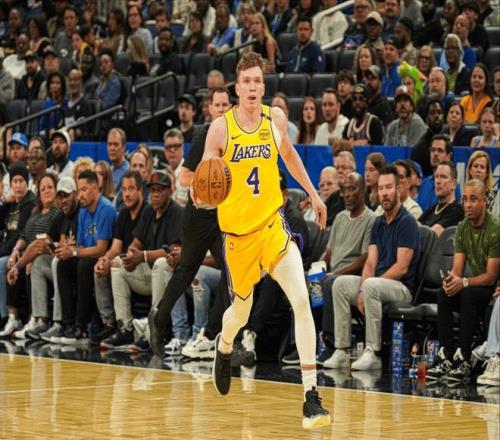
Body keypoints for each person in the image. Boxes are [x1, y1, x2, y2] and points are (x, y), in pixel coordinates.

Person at [169, 51, 330, 428]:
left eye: (259, 81)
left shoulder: (275, 120)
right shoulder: (220, 129)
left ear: (263, 85)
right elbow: (202, 177)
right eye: (247, 82)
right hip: (238, 238)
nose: (254, 87)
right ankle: (224, 346)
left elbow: (290, 156)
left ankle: (311, 397)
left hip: (272, 226)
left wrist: (314, 194)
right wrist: (200, 194)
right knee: (240, 313)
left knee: (301, 299)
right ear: (237, 88)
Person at [152, 87, 233, 361]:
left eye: (225, 104)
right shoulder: (204, 135)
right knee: (186, 270)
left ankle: (211, 334)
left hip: (222, 217)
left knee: (232, 272)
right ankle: (159, 319)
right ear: (209, 109)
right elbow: (183, 176)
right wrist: (205, 180)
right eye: (217, 105)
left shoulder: (235, 139)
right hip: (199, 215)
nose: (221, 109)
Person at [329, 166, 420, 370]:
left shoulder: (407, 222)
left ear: (398, 189)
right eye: (380, 188)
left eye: (388, 187)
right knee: (340, 284)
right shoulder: (378, 223)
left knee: (370, 285)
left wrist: (369, 286)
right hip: (376, 285)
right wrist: (362, 289)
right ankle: (341, 350)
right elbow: (370, 262)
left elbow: (402, 267)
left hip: (402, 288)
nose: (384, 193)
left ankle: (373, 352)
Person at [427, 180, 499, 383]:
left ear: (484, 201)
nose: (467, 204)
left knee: (467, 294)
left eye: (473, 199)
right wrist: (451, 280)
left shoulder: (495, 229)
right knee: (444, 293)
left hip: (492, 288)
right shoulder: (462, 228)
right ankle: (446, 354)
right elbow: (457, 270)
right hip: (474, 285)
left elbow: (491, 276)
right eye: (465, 199)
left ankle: (464, 358)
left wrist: (464, 282)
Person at [319, 172, 377, 367]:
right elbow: (328, 252)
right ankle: (301, 344)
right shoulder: (339, 218)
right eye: (343, 190)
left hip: (353, 276)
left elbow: (364, 259)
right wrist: (317, 269)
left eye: (352, 189)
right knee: (306, 281)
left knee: (330, 283)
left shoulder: (371, 219)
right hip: (333, 274)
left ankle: (330, 346)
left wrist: (335, 274)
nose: (347, 194)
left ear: (363, 191)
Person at [56, 170, 117, 345]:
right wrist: (69, 251)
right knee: (62, 264)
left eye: (84, 190)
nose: (80, 195)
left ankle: (81, 327)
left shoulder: (106, 209)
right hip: (88, 257)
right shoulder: (83, 211)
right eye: (79, 190)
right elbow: (82, 246)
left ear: (95, 188)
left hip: (105, 258)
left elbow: (101, 249)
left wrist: (74, 252)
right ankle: (68, 324)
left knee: (83, 265)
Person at [5, 173, 62, 339]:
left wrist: (22, 262)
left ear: (56, 190)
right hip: (29, 253)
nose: (46, 191)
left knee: (33, 262)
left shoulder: (57, 213)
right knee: (11, 261)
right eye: (43, 189)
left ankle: (36, 318)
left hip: (47, 255)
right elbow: (23, 235)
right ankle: (13, 318)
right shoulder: (35, 212)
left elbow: (41, 244)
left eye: (50, 187)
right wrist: (15, 250)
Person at [93, 170, 146, 348]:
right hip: (126, 265)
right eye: (123, 189)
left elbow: (137, 250)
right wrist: (104, 260)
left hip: (145, 267)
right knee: (100, 268)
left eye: (131, 189)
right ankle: (109, 323)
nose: (127, 194)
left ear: (140, 190)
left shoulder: (147, 212)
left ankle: (126, 327)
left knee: (116, 267)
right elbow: (115, 247)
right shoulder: (123, 214)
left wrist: (116, 261)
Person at [31, 176, 80, 343]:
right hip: (63, 262)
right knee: (38, 263)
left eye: (67, 196)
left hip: (77, 263)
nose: (63, 200)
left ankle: (59, 322)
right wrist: (48, 244)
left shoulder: (82, 213)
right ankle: (41, 320)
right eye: (60, 197)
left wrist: (67, 250)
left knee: (57, 261)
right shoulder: (61, 215)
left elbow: (86, 245)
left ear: (75, 194)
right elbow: (48, 237)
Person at [0, 163, 36, 337]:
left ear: (27, 183)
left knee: (1, 264)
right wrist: (3, 203)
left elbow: (20, 235)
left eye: (22, 181)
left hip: (22, 251)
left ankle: (6, 316)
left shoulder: (29, 203)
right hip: (8, 249)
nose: (18, 185)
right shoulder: (11, 204)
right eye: (15, 181)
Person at [418, 160, 464, 236]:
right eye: (436, 177)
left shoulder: (457, 210)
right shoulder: (433, 208)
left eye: (443, 177)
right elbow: (415, 228)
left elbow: (431, 236)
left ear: (454, 184)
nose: (438, 181)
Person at [417, 134, 461, 210]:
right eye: (433, 150)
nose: (435, 154)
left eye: (440, 150)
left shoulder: (453, 186)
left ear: (449, 156)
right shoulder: (424, 183)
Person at [412, 99, 446, 177]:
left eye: (439, 112)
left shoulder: (448, 143)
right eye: (432, 113)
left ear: (444, 117)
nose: (436, 116)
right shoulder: (419, 148)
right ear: (426, 119)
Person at [163, 128, 189, 206]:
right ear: (165, 150)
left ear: (182, 148)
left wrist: (173, 188)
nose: (172, 150)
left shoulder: (189, 172)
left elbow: (181, 206)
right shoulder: (163, 174)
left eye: (176, 146)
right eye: (169, 147)